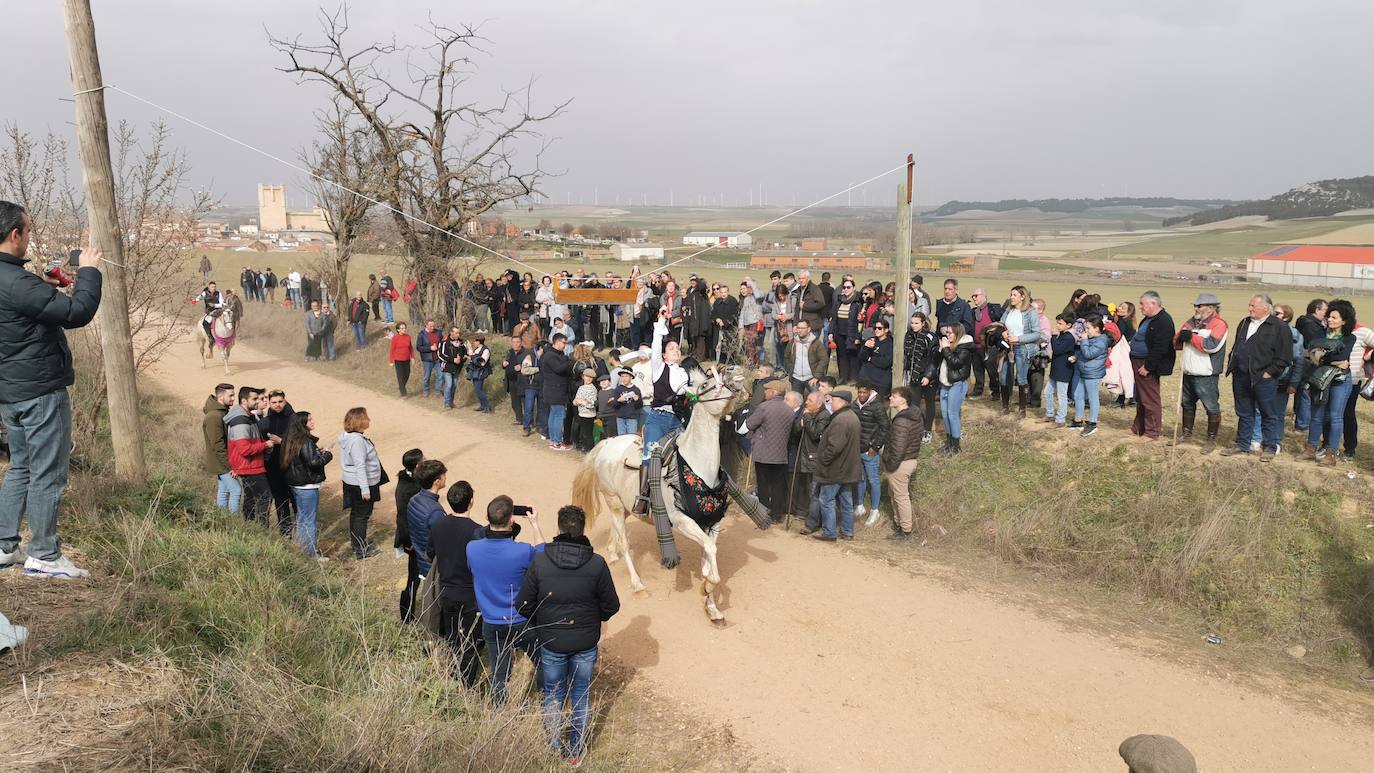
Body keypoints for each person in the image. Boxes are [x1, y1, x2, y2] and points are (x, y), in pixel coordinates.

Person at [0, 205, 103, 578]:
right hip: (40, 391)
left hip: (10, 391)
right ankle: (43, 555)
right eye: (27, 231)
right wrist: (89, 270)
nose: (29, 236)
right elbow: (78, 313)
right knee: (48, 472)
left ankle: (4, 545)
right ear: (14, 235)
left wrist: (42, 289)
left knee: (21, 467)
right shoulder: (17, 282)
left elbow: (16, 308)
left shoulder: (17, 282)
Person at [516, 504, 620, 764]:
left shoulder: (540, 561)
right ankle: (575, 753)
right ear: (583, 529)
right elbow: (612, 605)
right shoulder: (596, 564)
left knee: (553, 694)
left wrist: (543, 622)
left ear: (559, 528)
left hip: (551, 642)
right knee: (581, 694)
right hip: (585, 643)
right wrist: (593, 619)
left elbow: (523, 605)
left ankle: (553, 748)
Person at [467, 495, 545, 706]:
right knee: (543, 662)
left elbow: (483, 535)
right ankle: (546, 699)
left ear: (486, 517)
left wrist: (496, 517)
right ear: (512, 520)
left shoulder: (472, 549)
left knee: (499, 673)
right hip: (521, 621)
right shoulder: (522, 551)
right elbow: (542, 555)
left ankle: (499, 712)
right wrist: (535, 524)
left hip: (491, 623)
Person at [1219, 294, 1292, 460]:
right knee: (1244, 412)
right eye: (1249, 305)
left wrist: (1269, 373)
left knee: (1268, 413)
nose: (1250, 308)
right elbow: (1238, 345)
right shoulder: (1244, 322)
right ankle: (1243, 445)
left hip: (1263, 378)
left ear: (1265, 308)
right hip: (1241, 375)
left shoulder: (1279, 327)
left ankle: (1270, 447)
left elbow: (1285, 356)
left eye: (1253, 306)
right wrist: (1233, 363)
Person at [429, 480, 485, 687]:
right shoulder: (478, 532)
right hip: (470, 595)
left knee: (453, 639)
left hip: (446, 591)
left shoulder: (438, 524)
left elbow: (430, 553)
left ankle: (453, 680)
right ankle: (465, 687)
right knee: (471, 643)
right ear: (472, 501)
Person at [1301, 299, 1356, 466]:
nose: (1330, 319)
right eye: (1329, 316)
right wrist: (1329, 358)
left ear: (1344, 321)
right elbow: (1310, 353)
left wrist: (1322, 355)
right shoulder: (1319, 334)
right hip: (1319, 379)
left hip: (1340, 381)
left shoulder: (1349, 338)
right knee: (1316, 416)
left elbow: (1340, 356)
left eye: (1334, 317)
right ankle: (1311, 449)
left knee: (1335, 416)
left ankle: (1331, 454)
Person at [1173, 293, 1229, 453]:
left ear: (1211, 308)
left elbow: (1211, 345)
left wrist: (1190, 337)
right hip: (1188, 371)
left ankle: (1211, 440)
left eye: (1199, 306)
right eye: (1195, 305)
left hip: (1207, 374)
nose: (1195, 308)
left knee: (1211, 407)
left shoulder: (1219, 324)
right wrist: (1179, 338)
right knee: (1187, 404)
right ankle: (1186, 434)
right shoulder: (1190, 322)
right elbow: (1176, 343)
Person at [280, 411, 333, 558]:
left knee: (302, 519)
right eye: (309, 420)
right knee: (309, 521)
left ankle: (300, 550)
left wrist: (317, 452)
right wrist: (327, 454)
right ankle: (310, 555)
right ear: (302, 424)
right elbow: (314, 462)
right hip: (307, 486)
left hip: (297, 485)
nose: (313, 422)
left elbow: (303, 459)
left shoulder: (291, 438)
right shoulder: (306, 441)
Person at [225, 386, 280, 527]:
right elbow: (244, 449)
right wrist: (266, 445)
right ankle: (261, 530)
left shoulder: (247, 417)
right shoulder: (240, 421)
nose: (258, 402)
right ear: (244, 401)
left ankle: (250, 527)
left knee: (251, 499)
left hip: (248, 465)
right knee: (265, 497)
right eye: (254, 399)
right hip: (250, 467)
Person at [813, 389, 861, 541]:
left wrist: (823, 461)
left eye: (832, 400)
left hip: (835, 469)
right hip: (848, 469)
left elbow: (834, 447)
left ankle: (829, 533)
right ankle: (847, 532)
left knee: (826, 500)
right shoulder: (852, 416)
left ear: (841, 401)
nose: (830, 403)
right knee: (846, 501)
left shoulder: (841, 420)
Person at [1129, 291, 1176, 443]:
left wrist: (1148, 366)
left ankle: (1152, 433)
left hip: (1147, 364)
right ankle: (1139, 428)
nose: (1140, 307)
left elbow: (1160, 347)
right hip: (1138, 361)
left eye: (1143, 304)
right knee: (1141, 397)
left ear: (1153, 304)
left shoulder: (1163, 321)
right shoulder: (1148, 319)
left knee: (1150, 399)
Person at [338, 407, 385, 558]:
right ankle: (360, 550)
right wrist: (365, 490)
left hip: (351, 481)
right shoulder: (357, 441)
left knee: (356, 514)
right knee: (361, 516)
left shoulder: (348, 437)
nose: (369, 420)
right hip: (361, 484)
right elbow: (360, 465)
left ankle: (357, 544)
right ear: (359, 421)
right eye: (366, 417)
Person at [746, 379, 795, 521]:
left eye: (766, 391)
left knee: (763, 486)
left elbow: (750, 424)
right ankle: (777, 515)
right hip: (781, 455)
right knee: (778, 486)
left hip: (763, 454)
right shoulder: (789, 411)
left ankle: (763, 514)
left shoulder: (764, 407)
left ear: (773, 393)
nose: (765, 394)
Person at [882, 386, 923, 541]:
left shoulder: (902, 420)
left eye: (894, 396)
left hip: (900, 463)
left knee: (900, 497)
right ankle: (901, 528)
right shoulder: (913, 415)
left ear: (903, 399)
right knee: (896, 495)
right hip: (909, 460)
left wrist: (890, 465)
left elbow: (898, 447)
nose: (890, 398)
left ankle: (905, 531)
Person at [998, 285, 1041, 418]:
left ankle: (1022, 410)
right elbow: (1001, 323)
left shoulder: (1030, 312)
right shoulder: (1008, 310)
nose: (1011, 297)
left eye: (1015, 295)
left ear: (1022, 297)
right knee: (1003, 376)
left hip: (1022, 348)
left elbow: (1036, 334)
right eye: (1011, 294)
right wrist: (1003, 332)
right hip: (1007, 347)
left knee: (1021, 378)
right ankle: (1005, 406)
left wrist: (1019, 338)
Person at [259, 389, 297, 536]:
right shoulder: (265, 422)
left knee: (296, 502)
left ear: (285, 401)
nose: (277, 405)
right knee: (281, 503)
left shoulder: (295, 419)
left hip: (292, 467)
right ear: (269, 403)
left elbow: (302, 442)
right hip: (273, 468)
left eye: (280, 401)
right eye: (274, 402)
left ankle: (302, 533)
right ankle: (285, 533)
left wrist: (282, 441)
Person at [393, 448, 425, 621]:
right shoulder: (408, 488)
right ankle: (407, 616)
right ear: (417, 464)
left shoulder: (410, 481)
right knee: (414, 579)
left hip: (415, 537)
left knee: (415, 577)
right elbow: (402, 517)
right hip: (412, 539)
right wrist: (408, 542)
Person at [853, 381, 890, 527]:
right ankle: (860, 506)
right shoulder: (854, 405)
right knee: (860, 478)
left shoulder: (877, 406)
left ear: (870, 392)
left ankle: (875, 510)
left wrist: (875, 446)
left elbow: (885, 427)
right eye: (859, 392)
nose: (862, 395)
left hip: (870, 451)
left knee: (873, 480)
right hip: (856, 449)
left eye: (864, 392)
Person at [935, 323, 975, 455]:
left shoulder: (965, 347)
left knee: (953, 414)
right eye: (946, 333)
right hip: (945, 384)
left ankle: (956, 446)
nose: (947, 335)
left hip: (957, 384)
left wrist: (946, 349)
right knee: (945, 414)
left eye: (950, 333)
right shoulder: (949, 345)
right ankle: (949, 443)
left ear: (958, 334)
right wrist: (941, 349)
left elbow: (955, 362)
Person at [202, 383, 240, 515]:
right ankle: (233, 523)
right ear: (220, 397)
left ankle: (222, 519)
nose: (233, 398)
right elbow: (218, 445)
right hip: (221, 462)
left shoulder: (221, 413)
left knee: (224, 491)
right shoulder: (214, 416)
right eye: (230, 395)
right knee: (236, 490)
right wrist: (230, 466)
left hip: (222, 462)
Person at [903, 312, 938, 445]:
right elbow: (907, 356)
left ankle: (927, 430)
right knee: (914, 403)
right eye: (912, 323)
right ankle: (915, 429)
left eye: (916, 323)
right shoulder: (908, 335)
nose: (913, 325)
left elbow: (934, 359)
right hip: (914, 375)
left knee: (929, 403)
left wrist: (928, 375)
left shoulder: (930, 337)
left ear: (923, 323)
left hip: (928, 375)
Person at [1072, 314, 1110, 437]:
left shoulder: (1101, 341)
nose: (1086, 331)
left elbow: (1089, 354)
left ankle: (1092, 423)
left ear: (1097, 329)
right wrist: (1076, 357)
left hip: (1093, 373)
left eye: (1088, 328)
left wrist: (1083, 340)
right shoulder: (1091, 339)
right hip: (1085, 371)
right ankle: (1078, 421)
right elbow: (1084, 353)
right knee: (1078, 395)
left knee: (1093, 398)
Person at [1293, 299, 1327, 431]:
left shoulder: (1304, 321)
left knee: (1302, 392)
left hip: (1302, 362)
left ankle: (1300, 419)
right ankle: (1303, 424)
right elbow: (1315, 347)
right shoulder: (1312, 326)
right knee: (1306, 393)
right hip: (1309, 363)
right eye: (1325, 310)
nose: (1326, 314)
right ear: (1317, 310)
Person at [541, 333, 575, 451]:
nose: (565, 346)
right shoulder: (550, 355)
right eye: (564, 343)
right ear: (557, 342)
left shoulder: (557, 354)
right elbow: (558, 369)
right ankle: (557, 442)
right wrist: (569, 362)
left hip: (555, 390)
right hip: (555, 390)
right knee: (558, 415)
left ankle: (554, 440)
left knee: (554, 415)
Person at [968, 287, 1002, 398]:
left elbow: (1002, 324)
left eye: (976, 296)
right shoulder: (973, 312)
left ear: (984, 296)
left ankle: (996, 391)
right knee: (977, 370)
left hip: (990, 346)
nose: (974, 298)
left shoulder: (993, 309)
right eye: (973, 296)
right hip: (976, 346)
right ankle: (978, 391)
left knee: (991, 370)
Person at [829, 278, 862, 382]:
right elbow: (833, 318)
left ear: (854, 288)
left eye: (849, 287)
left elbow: (860, 322)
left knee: (852, 356)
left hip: (851, 333)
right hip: (839, 333)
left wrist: (857, 337)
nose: (846, 289)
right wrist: (831, 332)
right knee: (841, 356)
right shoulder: (839, 301)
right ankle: (843, 377)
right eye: (844, 287)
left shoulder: (857, 303)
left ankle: (853, 378)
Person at [1108, 300, 1138, 409]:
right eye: (1119, 306)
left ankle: (1122, 400)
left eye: (1122, 308)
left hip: (1123, 351)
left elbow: (1117, 336)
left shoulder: (1122, 322)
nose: (1119, 308)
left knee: (1121, 374)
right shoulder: (1129, 321)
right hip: (1129, 350)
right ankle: (1131, 398)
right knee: (1127, 374)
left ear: (1128, 312)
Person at [785, 318, 828, 394]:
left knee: (816, 400)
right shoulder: (792, 343)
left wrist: (817, 377)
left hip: (812, 378)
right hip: (796, 378)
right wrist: (790, 371)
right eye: (798, 328)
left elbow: (824, 359)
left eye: (802, 328)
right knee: (796, 403)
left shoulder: (816, 343)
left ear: (809, 329)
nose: (799, 330)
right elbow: (786, 357)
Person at [857, 320, 894, 397]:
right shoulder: (872, 340)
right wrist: (865, 347)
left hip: (880, 380)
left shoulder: (890, 343)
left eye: (879, 328)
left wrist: (870, 359)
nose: (876, 330)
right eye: (875, 328)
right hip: (866, 377)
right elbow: (862, 357)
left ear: (886, 330)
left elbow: (885, 362)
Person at [438, 326, 467, 410]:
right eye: (456, 333)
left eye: (459, 333)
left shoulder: (461, 342)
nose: (458, 334)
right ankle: (446, 403)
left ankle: (451, 402)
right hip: (447, 367)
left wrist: (460, 359)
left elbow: (465, 353)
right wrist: (453, 359)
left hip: (457, 367)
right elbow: (440, 355)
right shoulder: (444, 342)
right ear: (451, 333)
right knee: (449, 385)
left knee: (454, 385)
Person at [571, 368, 599, 452]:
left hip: (589, 414)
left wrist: (582, 402)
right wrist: (576, 402)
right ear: (583, 377)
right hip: (582, 413)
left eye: (590, 377)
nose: (588, 379)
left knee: (588, 433)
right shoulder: (581, 388)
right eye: (587, 376)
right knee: (583, 432)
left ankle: (589, 449)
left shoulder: (593, 389)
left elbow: (592, 404)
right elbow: (575, 400)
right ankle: (586, 447)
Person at [502, 336, 526, 425]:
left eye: (517, 342)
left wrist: (521, 367)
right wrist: (503, 364)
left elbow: (530, 364)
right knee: (515, 402)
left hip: (521, 380)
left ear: (521, 343)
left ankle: (529, 420)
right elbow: (505, 362)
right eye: (514, 342)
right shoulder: (509, 352)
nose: (515, 344)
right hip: (511, 380)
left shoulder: (525, 353)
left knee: (525, 402)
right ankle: (519, 419)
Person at [467, 334, 494, 413]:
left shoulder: (485, 350)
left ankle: (487, 406)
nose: (474, 342)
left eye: (475, 341)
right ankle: (483, 406)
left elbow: (482, 363)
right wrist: (470, 350)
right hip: (475, 371)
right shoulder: (477, 349)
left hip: (481, 371)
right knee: (477, 389)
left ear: (479, 341)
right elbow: (473, 357)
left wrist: (472, 356)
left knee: (479, 389)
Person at [415, 319, 442, 397]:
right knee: (427, 376)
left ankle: (438, 392)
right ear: (426, 325)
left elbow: (442, 342)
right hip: (427, 359)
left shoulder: (438, 332)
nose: (432, 327)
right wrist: (430, 348)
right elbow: (419, 347)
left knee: (440, 375)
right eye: (430, 326)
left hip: (438, 358)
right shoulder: (421, 334)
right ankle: (426, 391)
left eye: (433, 326)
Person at [612, 367, 642, 436]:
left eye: (626, 376)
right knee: (621, 438)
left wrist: (637, 400)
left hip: (632, 418)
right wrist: (618, 400)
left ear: (631, 377)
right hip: (620, 418)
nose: (624, 378)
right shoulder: (618, 389)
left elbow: (639, 406)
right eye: (622, 376)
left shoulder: (636, 389)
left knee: (631, 437)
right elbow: (614, 405)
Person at [389, 321, 414, 397]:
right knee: (400, 376)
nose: (404, 330)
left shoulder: (408, 337)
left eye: (404, 328)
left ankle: (401, 387)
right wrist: (391, 361)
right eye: (402, 328)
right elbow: (392, 350)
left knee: (407, 374)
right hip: (398, 360)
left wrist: (412, 357)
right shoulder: (395, 338)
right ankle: (404, 393)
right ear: (398, 330)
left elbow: (410, 348)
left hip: (407, 359)